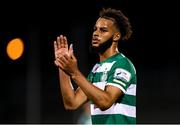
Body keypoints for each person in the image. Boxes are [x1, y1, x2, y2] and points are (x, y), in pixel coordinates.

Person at [54, 7, 137, 124]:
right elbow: (71, 103)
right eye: (95, 29)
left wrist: (74, 72)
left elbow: (105, 102)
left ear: (116, 36)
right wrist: (63, 66)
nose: (96, 34)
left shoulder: (122, 64)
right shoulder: (96, 69)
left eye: (103, 30)